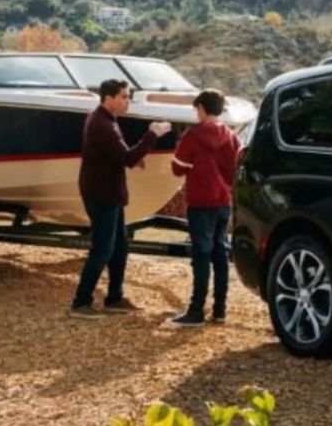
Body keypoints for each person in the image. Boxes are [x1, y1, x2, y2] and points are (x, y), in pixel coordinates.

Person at [70, 79, 172, 319]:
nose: (128, 101)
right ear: (109, 98)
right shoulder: (102, 124)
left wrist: (135, 157)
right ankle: (80, 302)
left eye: (128, 96)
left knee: (120, 246)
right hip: (101, 193)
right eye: (124, 97)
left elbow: (118, 154)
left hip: (108, 192)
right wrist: (152, 135)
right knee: (103, 247)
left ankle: (114, 298)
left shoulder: (105, 120)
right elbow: (125, 157)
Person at [166, 89, 240, 327]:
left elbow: (178, 168)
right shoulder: (230, 135)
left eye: (196, 109)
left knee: (201, 255)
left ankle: (196, 311)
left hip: (200, 202)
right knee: (220, 252)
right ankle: (219, 309)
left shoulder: (193, 135)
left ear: (201, 108)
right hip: (223, 201)